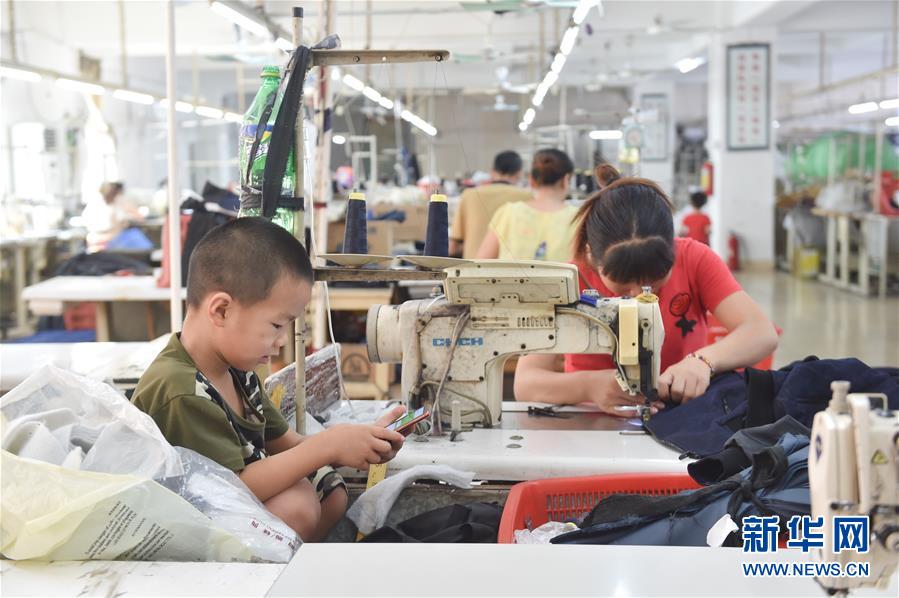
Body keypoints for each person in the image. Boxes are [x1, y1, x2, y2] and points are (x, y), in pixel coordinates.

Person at [133, 218, 406, 541]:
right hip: (184, 527)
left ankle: (294, 560)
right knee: (296, 506)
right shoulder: (182, 391)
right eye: (277, 325)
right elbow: (231, 487)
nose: (282, 341)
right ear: (221, 311)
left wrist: (361, 441)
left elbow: (289, 445)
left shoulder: (238, 373)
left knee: (330, 490)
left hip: (230, 507)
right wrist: (330, 444)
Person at [514, 165, 778, 414]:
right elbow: (525, 383)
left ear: (672, 250)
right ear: (591, 256)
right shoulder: (568, 282)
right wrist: (589, 386)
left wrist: (703, 361)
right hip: (590, 419)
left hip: (680, 414)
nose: (639, 294)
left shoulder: (695, 259)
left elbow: (761, 333)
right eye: (623, 287)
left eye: (654, 282)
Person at [476, 148, 578, 262]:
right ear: (565, 180)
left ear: (531, 180)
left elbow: (481, 263)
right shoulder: (579, 217)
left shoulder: (508, 212)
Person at [449, 150, 531, 259]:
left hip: (474, 266)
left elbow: (453, 247)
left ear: (492, 171)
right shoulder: (528, 197)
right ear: (519, 173)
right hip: (513, 267)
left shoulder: (470, 195)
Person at [81, 181, 143, 252]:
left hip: (96, 239)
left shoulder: (94, 203)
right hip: (110, 240)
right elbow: (138, 218)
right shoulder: (114, 205)